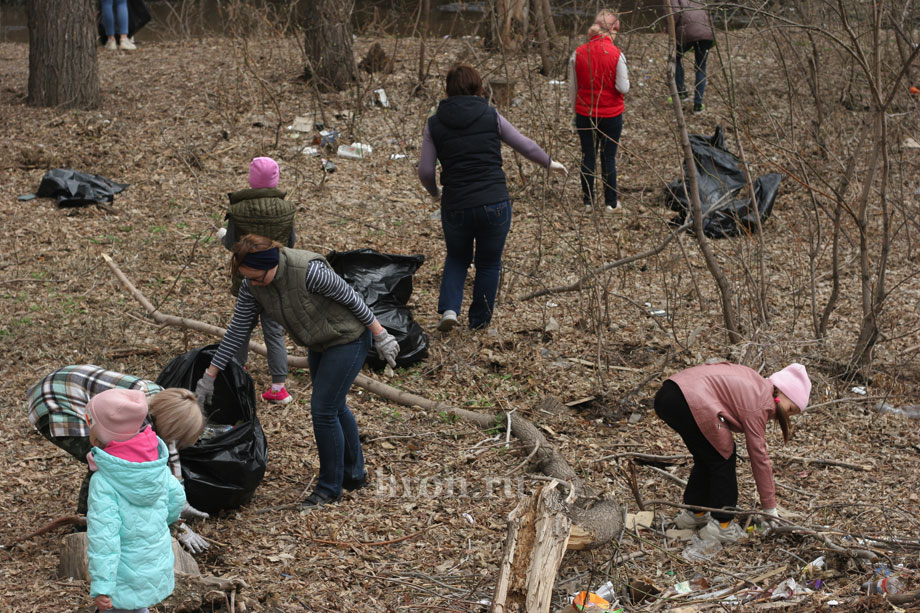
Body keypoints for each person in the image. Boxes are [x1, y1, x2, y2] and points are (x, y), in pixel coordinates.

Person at [193, 234, 400, 508]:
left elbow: (352, 298)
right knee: (335, 407)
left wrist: (381, 334)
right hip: (318, 342)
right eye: (248, 278)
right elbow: (238, 330)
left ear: (272, 265)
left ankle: (329, 489)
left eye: (257, 277)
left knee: (323, 409)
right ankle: (353, 474)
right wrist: (210, 375)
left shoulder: (310, 271)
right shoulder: (252, 286)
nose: (253, 283)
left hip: (348, 337)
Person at [418, 64, 567, 332]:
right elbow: (524, 144)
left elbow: (426, 170)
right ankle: (479, 323)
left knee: (456, 257)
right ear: (478, 87)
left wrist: (435, 193)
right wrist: (549, 163)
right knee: (489, 262)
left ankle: (450, 309)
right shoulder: (491, 116)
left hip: (456, 203)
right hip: (494, 202)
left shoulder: (435, 123)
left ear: (448, 90)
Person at [26, 365, 209, 553]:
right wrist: (176, 525)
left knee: (112, 461)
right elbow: (147, 475)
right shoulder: (136, 424)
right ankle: (85, 525)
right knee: (106, 462)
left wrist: (181, 500)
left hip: (67, 383)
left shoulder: (166, 401)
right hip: (53, 403)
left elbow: (168, 448)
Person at [653, 362, 811, 543]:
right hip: (687, 398)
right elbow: (759, 456)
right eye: (789, 409)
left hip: (671, 395)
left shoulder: (756, 385)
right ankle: (722, 526)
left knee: (708, 456)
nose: (784, 416)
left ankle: (695, 513)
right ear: (781, 391)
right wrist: (770, 509)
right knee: (723, 456)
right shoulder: (760, 400)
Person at [84, 388, 186, 613]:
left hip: (122, 574)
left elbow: (104, 539)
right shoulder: (154, 460)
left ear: (101, 433)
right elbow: (177, 497)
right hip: (154, 564)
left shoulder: (104, 480)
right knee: (138, 607)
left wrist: (102, 586)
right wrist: (160, 521)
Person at [221, 156, 296, 405]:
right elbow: (291, 244)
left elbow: (233, 244)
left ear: (252, 181)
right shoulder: (287, 209)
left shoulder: (238, 210)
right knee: (273, 331)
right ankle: (279, 387)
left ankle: (238, 374)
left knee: (241, 328)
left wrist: (222, 235)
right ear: (275, 181)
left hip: (247, 280)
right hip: (276, 277)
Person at [568, 9, 630, 212]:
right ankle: (610, 203)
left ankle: (587, 202)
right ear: (613, 29)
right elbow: (623, 88)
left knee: (588, 155)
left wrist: (575, 111)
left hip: (585, 114)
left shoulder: (578, 53)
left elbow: (573, 89)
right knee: (608, 157)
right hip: (611, 115)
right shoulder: (616, 54)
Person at [669, 0, 714, 114]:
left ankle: (681, 93)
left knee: (676, 59)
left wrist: (669, 29)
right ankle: (698, 105)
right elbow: (707, 13)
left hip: (686, 33)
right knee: (700, 67)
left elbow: (673, 15)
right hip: (706, 33)